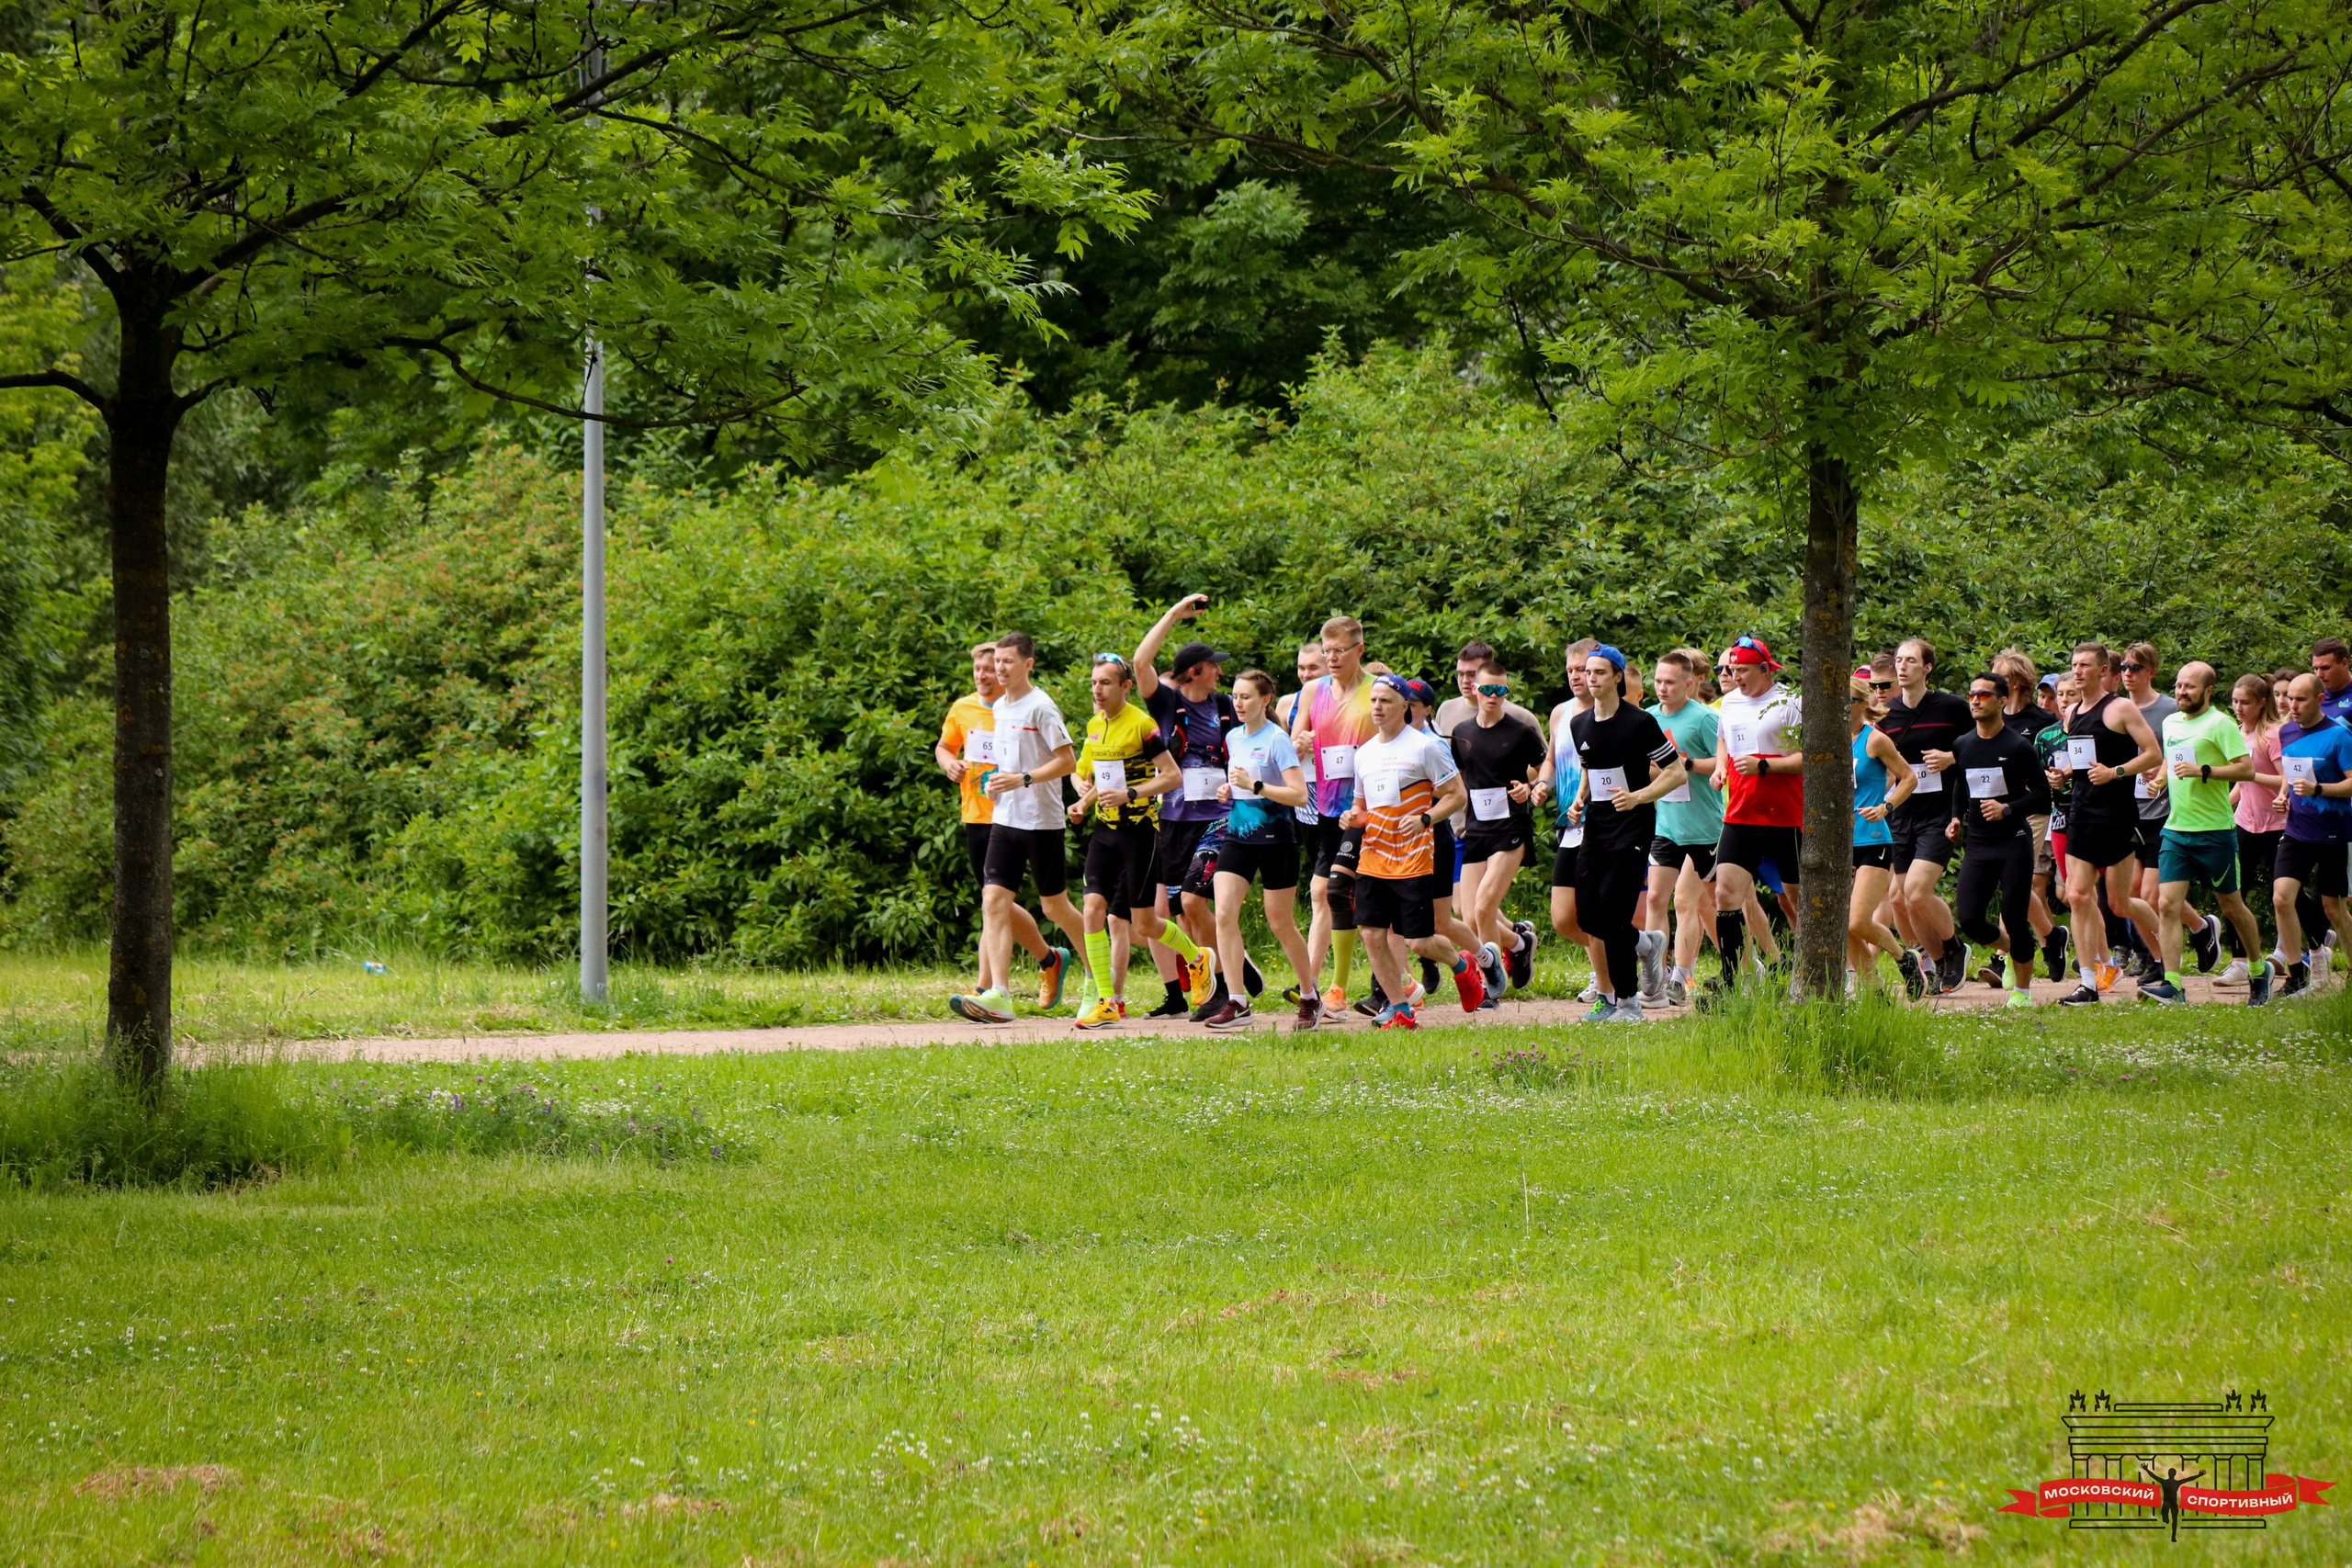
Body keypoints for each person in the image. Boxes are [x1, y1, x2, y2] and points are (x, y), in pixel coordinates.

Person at [1067, 655, 1208, 1030]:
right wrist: (1082, 799)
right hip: (1104, 830)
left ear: (1126, 686)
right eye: (1093, 683)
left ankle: (1197, 959)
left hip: (1140, 831)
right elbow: (1087, 774)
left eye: (1105, 683)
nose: (1097, 690)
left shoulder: (1142, 725)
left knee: (1144, 924)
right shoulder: (1095, 725)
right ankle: (1106, 1001)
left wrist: (1131, 794)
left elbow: (1172, 776)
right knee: (1092, 910)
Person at [1340, 675, 1486, 1029]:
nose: (1377, 707)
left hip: (1414, 858)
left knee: (1419, 942)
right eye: (1373, 700)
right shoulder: (1365, 753)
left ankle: (1463, 964)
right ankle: (1400, 1009)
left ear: (1405, 706)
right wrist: (1352, 817)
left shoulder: (1424, 748)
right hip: (1373, 857)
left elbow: (1457, 795)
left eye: (1386, 701)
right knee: (1371, 934)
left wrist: (1425, 818)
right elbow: (1362, 807)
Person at [953, 633, 1084, 1022]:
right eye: (997, 661)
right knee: (993, 901)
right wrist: (997, 783)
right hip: (1004, 819)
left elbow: (1068, 762)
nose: (999, 669)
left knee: (1054, 907)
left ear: (1028, 665)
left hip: (1041, 821)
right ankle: (999, 995)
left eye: (1007, 661)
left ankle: (1101, 974)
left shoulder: (1041, 707)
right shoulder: (1000, 707)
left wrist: (1023, 779)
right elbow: (1008, 763)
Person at [1134, 595, 1250, 1020]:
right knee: (1182, 909)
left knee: (1196, 902)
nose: (1220, 671)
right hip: (1173, 819)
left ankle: (1228, 986)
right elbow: (1140, 662)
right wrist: (1174, 614)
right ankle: (1221, 981)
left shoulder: (1226, 706)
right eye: (1213, 666)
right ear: (1195, 672)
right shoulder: (1166, 702)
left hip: (1219, 819)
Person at [1566, 646, 1689, 1021]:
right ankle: (1646, 943)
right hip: (1596, 827)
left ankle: (1628, 1004)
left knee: (1614, 911)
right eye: (1587, 672)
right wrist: (1579, 799)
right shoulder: (1579, 724)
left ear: (1618, 677)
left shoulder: (1639, 723)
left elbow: (1676, 773)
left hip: (1633, 827)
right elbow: (1590, 770)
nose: (1590, 678)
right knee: (1588, 916)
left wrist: (1638, 797)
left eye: (1599, 672)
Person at [2049, 642, 2167, 1007]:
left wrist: (2116, 772)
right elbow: (2082, 762)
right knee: (2078, 896)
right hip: (2081, 814)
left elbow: (2153, 754)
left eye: (2085, 665)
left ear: (2103, 671)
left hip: (2116, 816)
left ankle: (2167, 955)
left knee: (2120, 903)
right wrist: (2064, 774)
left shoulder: (2120, 708)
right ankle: (2089, 982)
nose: (2077, 671)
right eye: (2074, 665)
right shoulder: (2071, 713)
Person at [2147, 661, 2267, 1005]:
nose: (2182, 692)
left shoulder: (2221, 724)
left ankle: (2258, 971)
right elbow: (2171, 759)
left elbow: (2246, 769)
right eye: (2179, 685)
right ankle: (2173, 984)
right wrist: (2159, 779)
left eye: (2190, 686)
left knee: (2231, 906)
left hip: (2215, 831)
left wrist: (2204, 770)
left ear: (2208, 691)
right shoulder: (2171, 722)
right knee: (2167, 905)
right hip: (2176, 829)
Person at [1205, 670, 1318, 1030]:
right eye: (1235, 697)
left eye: (1246, 697)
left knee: (1280, 923)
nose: (1238, 703)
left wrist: (1255, 785)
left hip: (1277, 839)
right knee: (1224, 913)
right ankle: (1237, 1002)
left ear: (1265, 700)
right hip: (1238, 835)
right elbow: (1241, 783)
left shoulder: (1277, 739)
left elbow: (1298, 795)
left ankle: (1310, 996)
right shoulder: (1233, 737)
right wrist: (1229, 789)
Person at [937, 639, 1047, 998]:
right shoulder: (963, 708)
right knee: (994, 901)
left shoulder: (1015, 709)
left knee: (995, 901)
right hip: (975, 813)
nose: (984, 675)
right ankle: (1048, 959)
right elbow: (945, 747)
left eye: (991, 668)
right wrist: (950, 765)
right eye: (979, 669)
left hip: (1013, 815)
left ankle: (985, 987)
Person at [1946, 672, 2053, 1010]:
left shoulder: (2017, 746)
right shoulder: (1963, 744)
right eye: (1972, 694)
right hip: (1978, 843)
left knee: (2014, 916)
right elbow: (1961, 784)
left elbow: (2043, 795)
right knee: (1969, 919)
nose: (1975, 700)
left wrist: (2008, 809)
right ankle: (2014, 950)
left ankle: (2022, 991)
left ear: (2003, 701)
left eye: (1984, 695)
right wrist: (1956, 817)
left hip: (2013, 841)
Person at [1707, 635, 1804, 1000]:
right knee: (1725, 894)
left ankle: (1821, 972)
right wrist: (1721, 768)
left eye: (1744, 671)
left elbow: (1811, 758)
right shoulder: (1731, 702)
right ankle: (1731, 984)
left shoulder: (1790, 701)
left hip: (1786, 815)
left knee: (1796, 901)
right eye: (1732, 670)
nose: (1736, 677)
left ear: (1765, 669)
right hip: (1741, 814)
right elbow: (1724, 740)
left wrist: (1765, 766)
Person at [1447, 657, 1547, 1001]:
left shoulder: (1521, 732)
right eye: (1488, 689)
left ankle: (1489, 986)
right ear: (1475, 689)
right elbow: (1460, 779)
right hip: (1476, 829)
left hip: (1512, 827)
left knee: (1485, 907)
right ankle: (1519, 943)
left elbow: (1543, 767)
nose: (1494, 696)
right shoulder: (1462, 733)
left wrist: (1529, 788)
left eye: (1501, 690)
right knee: (1467, 914)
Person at [1294, 615, 1378, 1015]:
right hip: (1328, 809)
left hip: (1370, 808)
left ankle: (1335, 988)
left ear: (1359, 649)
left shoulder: (1377, 689)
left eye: (1339, 651)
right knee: (1328, 892)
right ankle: (1319, 987)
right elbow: (1294, 743)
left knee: (1343, 892)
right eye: (1327, 651)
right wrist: (1300, 742)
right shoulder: (1313, 691)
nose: (1331, 658)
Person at [1878, 637, 1973, 994]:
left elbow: (1981, 742)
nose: (1902, 666)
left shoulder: (1951, 707)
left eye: (1911, 661)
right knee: (1901, 898)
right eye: (1899, 660)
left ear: (1927, 668)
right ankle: (1936, 962)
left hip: (1940, 812)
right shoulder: (1886, 713)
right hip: (1901, 813)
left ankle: (1954, 948)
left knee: (1917, 891)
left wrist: (1951, 757)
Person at [1645, 649, 1724, 1007]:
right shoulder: (1648, 718)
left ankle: (1689, 975)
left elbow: (1722, 763)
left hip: (1704, 827)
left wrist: (1687, 764)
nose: (1662, 688)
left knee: (1699, 902)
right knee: (1655, 898)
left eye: (1670, 682)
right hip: (1667, 825)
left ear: (1689, 683)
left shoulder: (1704, 718)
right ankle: (1656, 978)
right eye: (1658, 681)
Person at [1538, 638, 1609, 1001]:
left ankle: (1606, 979)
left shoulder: (1610, 712)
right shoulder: (1560, 713)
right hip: (1569, 822)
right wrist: (1541, 785)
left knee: (1593, 910)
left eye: (1582, 669)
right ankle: (1627, 950)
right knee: (1563, 917)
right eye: (1570, 670)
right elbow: (1551, 760)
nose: (1577, 676)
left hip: (1603, 822)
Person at [2274, 673, 2352, 995]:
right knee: (2282, 897)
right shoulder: (2286, 731)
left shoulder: (2339, 736)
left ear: (2320, 700)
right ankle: (2296, 975)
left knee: (2334, 909)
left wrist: (2319, 788)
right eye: (2289, 698)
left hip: (2332, 832)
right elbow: (2289, 772)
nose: (2292, 705)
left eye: (2300, 699)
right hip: (2297, 831)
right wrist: (2283, 795)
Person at [2220, 673, 2300, 987]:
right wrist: (2223, 806)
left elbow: (2286, 779)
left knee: (2285, 895)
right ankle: (2240, 962)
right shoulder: (2236, 733)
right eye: (2235, 701)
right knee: (2233, 892)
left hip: (2278, 824)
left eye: (2245, 703)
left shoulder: (2273, 734)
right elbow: (2242, 786)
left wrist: (2255, 777)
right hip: (2245, 822)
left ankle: (2312, 943)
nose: (2238, 708)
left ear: (2262, 703)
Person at [1848, 675, 1922, 996]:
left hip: (1872, 839)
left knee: (1857, 922)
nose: (1842, 707)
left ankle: (1904, 959)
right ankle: (1873, 989)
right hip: (1838, 842)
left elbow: (1908, 777)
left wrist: (1885, 806)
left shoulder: (1875, 740)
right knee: (1841, 926)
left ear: (1863, 704)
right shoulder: (1827, 741)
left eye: (1849, 700)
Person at [1994, 648, 2062, 983]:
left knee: (2014, 881)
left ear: (2016, 682)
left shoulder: (2042, 721)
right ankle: (2052, 937)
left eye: (1998, 676)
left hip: (2032, 810)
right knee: (2012, 882)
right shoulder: (1992, 717)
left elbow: (2054, 762)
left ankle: (2004, 957)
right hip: (1996, 810)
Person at [2120, 641, 2177, 981]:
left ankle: (2167, 963)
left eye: (2135, 668)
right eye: (2124, 667)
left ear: (2151, 671)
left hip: (2163, 810)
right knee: (2130, 893)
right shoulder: (2117, 708)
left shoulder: (2168, 709)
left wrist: (2160, 775)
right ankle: (2154, 956)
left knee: (2151, 894)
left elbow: (2178, 751)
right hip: (2129, 811)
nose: (2128, 674)